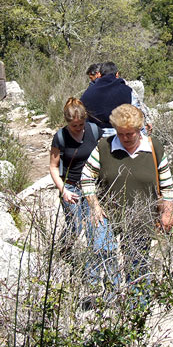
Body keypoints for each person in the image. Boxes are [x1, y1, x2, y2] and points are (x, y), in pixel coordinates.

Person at [81, 104, 173, 304]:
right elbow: (86, 176)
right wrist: (94, 206)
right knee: (103, 252)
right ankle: (110, 298)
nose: (126, 138)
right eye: (121, 133)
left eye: (130, 133)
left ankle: (137, 307)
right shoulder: (104, 147)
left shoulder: (153, 147)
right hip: (108, 214)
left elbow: (167, 185)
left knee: (137, 262)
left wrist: (167, 212)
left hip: (141, 215)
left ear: (139, 129)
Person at [48, 98, 103, 248]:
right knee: (76, 225)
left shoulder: (94, 130)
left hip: (92, 186)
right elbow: (53, 167)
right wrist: (63, 190)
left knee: (94, 224)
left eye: (81, 124)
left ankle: (92, 257)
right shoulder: (60, 137)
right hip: (70, 186)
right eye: (74, 125)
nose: (78, 128)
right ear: (67, 122)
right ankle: (64, 249)